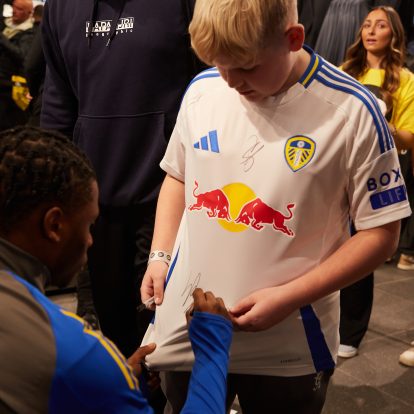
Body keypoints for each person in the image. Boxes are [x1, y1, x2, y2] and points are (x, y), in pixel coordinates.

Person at [140, 0, 411, 412]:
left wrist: (288, 297)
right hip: (191, 323)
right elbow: (178, 175)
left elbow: (381, 233)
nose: (231, 81)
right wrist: (160, 256)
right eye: (218, 64)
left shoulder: (354, 110)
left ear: (293, 39)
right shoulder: (202, 89)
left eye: (247, 67)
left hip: (292, 340)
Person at [0, 126, 233, 414]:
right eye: (89, 225)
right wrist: (211, 350)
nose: (90, 241)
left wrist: (112, 391)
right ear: (54, 225)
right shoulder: (69, 348)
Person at [40, 0, 205, 362]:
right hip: (95, 199)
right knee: (114, 329)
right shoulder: (60, 7)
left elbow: (212, 79)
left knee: (166, 333)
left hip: (171, 191)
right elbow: (58, 100)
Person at [339, 6, 414, 359]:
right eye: (367, 24)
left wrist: (384, 124)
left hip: (379, 170)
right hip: (340, 166)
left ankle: (351, 333)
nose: (371, 31)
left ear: (393, 34)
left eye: (380, 25)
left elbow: (409, 137)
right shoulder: (344, 72)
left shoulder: (405, 79)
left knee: (363, 246)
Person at [0, 0, 34, 131]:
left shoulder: (30, 32)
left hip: (10, 89)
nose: (14, 11)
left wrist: (2, 39)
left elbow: (21, 55)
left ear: (29, 13)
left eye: (19, 9)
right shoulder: (5, 25)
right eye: (14, 7)